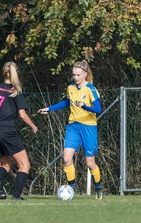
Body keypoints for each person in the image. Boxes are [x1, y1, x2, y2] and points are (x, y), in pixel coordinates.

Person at [38, 60, 103, 199]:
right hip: (73, 126)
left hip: (88, 127)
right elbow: (67, 102)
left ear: (85, 74)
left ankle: (98, 186)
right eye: (74, 75)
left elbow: (98, 109)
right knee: (66, 159)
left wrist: (84, 106)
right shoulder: (70, 88)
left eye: (78, 75)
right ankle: (71, 188)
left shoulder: (91, 89)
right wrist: (49, 109)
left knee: (90, 163)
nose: (76, 77)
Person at [0, 61, 38, 201]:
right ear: (15, 72)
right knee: (24, 164)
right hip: (7, 131)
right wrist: (33, 126)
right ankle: (16, 195)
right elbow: (22, 115)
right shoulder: (15, 91)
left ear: (3, 72)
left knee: (5, 164)